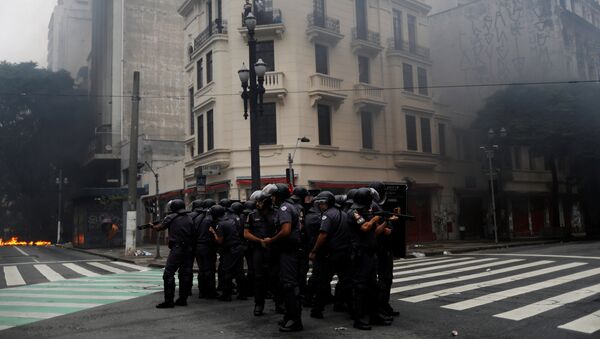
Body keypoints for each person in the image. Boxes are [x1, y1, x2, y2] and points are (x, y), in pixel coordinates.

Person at [347, 188, 391, 329]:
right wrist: (374, 219)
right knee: (360, 287)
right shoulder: (354, 212)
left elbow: (375, 232)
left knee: (374, 287)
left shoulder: (364, 212)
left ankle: (374, 316)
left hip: (370, 254)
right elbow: (365, 228)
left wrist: (385, 221)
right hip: (361, 254)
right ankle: (358, 319)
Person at [262, 183, 304, 332]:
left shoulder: (285, 208)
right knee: (286, 284)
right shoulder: (289, 207)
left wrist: (271, 240)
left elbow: (285, 231)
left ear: (278, 196)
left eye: (273, 196)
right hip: (286, 251)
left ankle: (295, 320)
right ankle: (289, 316)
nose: (271, 199)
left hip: (288, 252)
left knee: (289, 285)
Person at [308, 191, 352, 319]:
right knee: (346, 282)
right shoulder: (343, 214)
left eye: (322, 203)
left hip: (330, 255)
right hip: (344, 253)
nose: (320, 206)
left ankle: (317, 310)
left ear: (327, 203)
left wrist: (314, 251)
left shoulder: (327, 216)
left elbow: (323, 235)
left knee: (323, 283)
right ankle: (353, 310)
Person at [153, 199, 195, 308]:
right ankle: (182, 299)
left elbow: (159, 228)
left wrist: (152, 226)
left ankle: (169, 301)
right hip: (189, 249)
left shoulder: (171, 217)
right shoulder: (190, 218)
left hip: (177, 249)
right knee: (185, 274)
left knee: (168, 274)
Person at [244, 190, 280, 316]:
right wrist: (260, 241)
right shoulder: (252, 215)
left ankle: (279, 303)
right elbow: (246, 233)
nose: (257, 204)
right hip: (259, 250)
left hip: (274, 249)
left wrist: (273, 240)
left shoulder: (277, 214)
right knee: (259, 278)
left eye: (260, 202)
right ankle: (259, 304)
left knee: (275, 277)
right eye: (257, 202)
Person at [369, 182, 400, 318]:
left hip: (378, 248)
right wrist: (389, 221)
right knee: (385, 279)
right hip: (382, 248)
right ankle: (381, 306)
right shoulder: (374, 206)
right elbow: (383, 231)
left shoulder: (371, 205)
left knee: (383, 279)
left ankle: (382, 306)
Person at [209, 205, 246, 302]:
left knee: (227, 272)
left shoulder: (221, 224)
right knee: (239, 271)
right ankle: (243, 293)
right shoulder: (232, 220)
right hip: (239, 248)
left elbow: (220, 241)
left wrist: (213, 232)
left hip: (230, 250)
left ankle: (226, 294)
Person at [195, 199, 219, 299]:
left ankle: (202, 291)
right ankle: (210, 291)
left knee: (202, 269)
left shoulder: (198, 217)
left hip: (198, 246)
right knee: (209, 269)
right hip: (208, 246)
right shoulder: (211, 218)